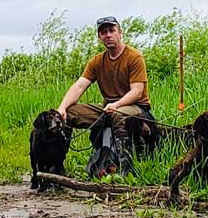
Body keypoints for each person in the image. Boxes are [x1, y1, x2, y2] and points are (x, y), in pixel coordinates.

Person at [56, 16, 152, 173]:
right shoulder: (97, 61)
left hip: (136, 107)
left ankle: (126, 170)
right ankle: (58, 166)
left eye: (111, 31)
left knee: (119, 114)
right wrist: (62, 108)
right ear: (99, 37)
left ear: (120, 33)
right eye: (103, 32)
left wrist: (116, 105)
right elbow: (79, 86)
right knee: (69, 113)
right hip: (108, 107)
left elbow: (137, 91)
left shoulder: (134, 57)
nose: (108, 35)